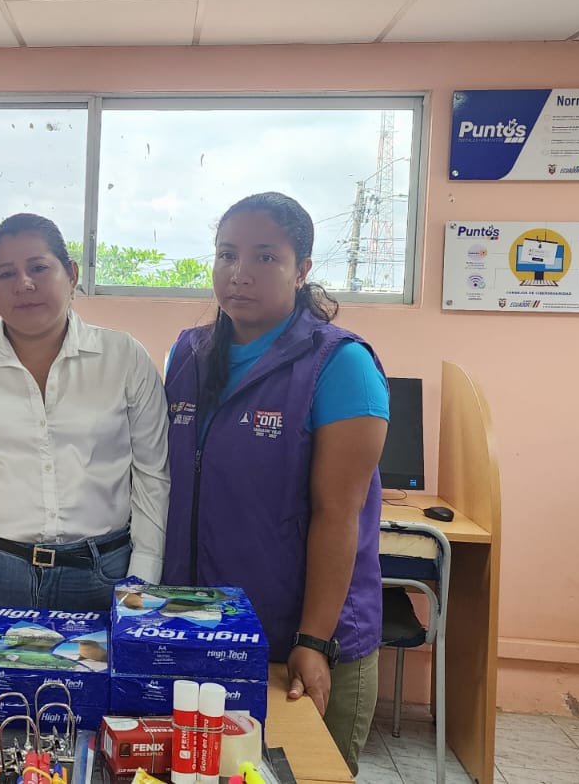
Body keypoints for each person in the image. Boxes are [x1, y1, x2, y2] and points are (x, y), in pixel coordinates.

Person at [161, 192, 387, 775]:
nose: (240, 273)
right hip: (199, 630)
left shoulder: (339, 364)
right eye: (227, 254)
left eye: (265, 257)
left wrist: (313, 640)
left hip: (299, 645)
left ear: (302, 269)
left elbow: (339, 514)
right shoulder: (187, 354)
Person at [0, 213, 171, 637]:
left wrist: (141, 583)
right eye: (6, 274)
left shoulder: (124, 357)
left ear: (71, 274)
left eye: (39, 267)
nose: (23, 284)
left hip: (101, 576)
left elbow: (153, 476)